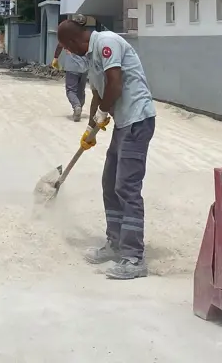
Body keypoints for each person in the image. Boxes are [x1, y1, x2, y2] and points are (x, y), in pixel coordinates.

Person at [57, 18, 157, 281]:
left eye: (67, 48)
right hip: (124, 123)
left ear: (73, 41)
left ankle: (134, 258)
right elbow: (99, 95)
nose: (68, 53)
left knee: (127, 186)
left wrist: (102, 112)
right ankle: (115, 243)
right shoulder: (90, 58)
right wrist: (90, 129)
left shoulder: (106, 42)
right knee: (110, 183)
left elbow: (115, 83)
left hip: (137, 119)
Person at [51, 19, 89, 122]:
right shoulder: (88, 36)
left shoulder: (69, 35)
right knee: (81, 90)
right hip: (85, 68)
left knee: (71, 90)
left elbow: (60, 45)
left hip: (72, 67)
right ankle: (79, 107)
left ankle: (76, 107)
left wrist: (55, 58)